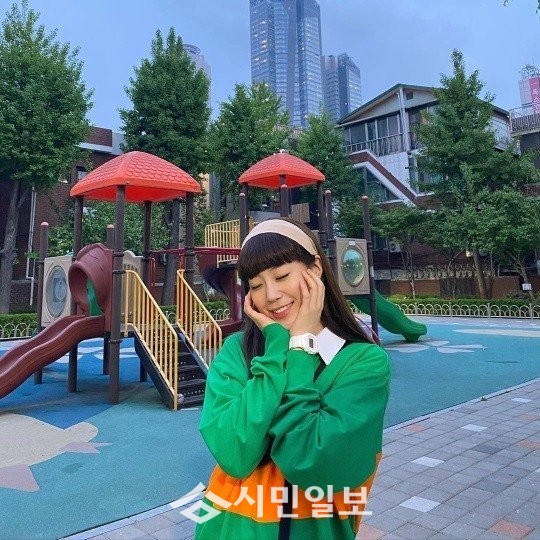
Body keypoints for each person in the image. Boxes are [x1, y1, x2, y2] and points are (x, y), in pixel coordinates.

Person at [195, 217, 390, 540]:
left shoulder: (362, 362)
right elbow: (234, 455)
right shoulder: (237, 352)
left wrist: (300, 348)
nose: (271, 295)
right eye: (256, 285)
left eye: (281, 276)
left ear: (315, 269)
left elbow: (310, 462)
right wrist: (276, 351)